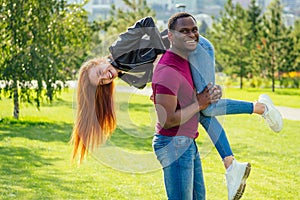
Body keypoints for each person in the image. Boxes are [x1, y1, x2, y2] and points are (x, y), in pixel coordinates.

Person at [71, 14, 283, 200]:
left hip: (196, 48)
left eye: (100, 73)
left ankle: (261, 108)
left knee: (207, 107)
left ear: (97, 62)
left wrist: (160, 53)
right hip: (183, 60)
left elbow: (146, 22)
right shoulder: (127, 76)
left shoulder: (118, 49)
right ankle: (231, 164)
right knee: (199, 109)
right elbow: (158, 77)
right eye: (102, 82)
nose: (106, 77)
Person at [151, 12, 219, 199]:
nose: (191, 34)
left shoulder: (186, 61)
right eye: (184, 31)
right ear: (170, 36)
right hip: (174, 144)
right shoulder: (168, 70)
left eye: (194, 30)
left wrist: (209, 96)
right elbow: (167, 120)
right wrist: (199, 102)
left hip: (187, 142)